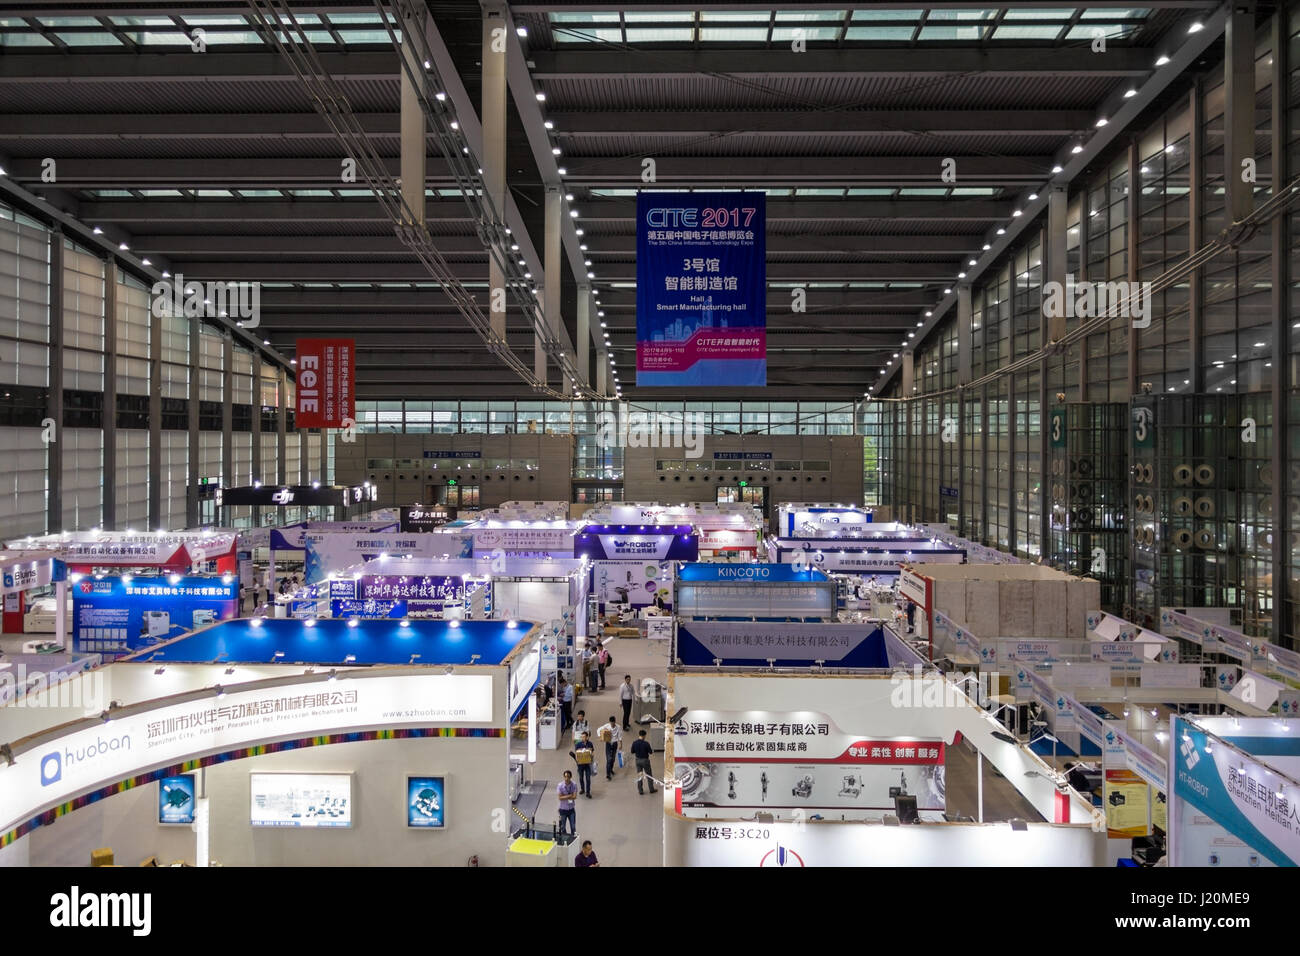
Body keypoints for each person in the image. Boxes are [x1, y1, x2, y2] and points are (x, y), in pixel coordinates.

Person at [631, 729, 657, 795]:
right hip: (645, 761)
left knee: (640, 775)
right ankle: (651, 789)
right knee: (649, 775)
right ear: (644, 735)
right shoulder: (646, 743)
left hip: (637, 760)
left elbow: (632, 751)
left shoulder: (634, 743)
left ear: (639, 735)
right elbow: (650, 752)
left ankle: (640, 791)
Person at [598, 715, 622, 781]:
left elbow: (620, 736)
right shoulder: (607, 726)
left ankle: (611, 769)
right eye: (611, 723)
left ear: (615, 722)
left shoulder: (618, 727)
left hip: (614, 744)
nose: (612, 724)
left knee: (613, 759)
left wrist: (620, 744)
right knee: (609, 759)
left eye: (613, 723)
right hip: (608, 744)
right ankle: (608, 774)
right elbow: (599, 729)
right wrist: (600, 736)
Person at [573, 732, 595, 797]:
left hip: (588, 764)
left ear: (587, 737)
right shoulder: (578, 744)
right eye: (582, 737)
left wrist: (591, 755)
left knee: (588, 778)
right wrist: (577, 759)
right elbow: (577, 753)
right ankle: (582, 789)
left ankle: (588, 792)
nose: (583, 738)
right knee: (581, 777)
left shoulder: (590, 744)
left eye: (584, 737)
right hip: (580, 765)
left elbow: (593, 752)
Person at [556, 771, 577, 836]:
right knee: (562, 827)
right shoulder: (560, 785)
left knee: (573, 827)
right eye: (565, 777)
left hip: (571, 810)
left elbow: (574, 797)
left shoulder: (574, 785)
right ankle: (564, 840)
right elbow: (560, 798)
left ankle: (573, 840)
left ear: (570, 777)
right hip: (563, 810)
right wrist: (569, 795)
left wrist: (564, 796)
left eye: (568, 777)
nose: (566, 778)